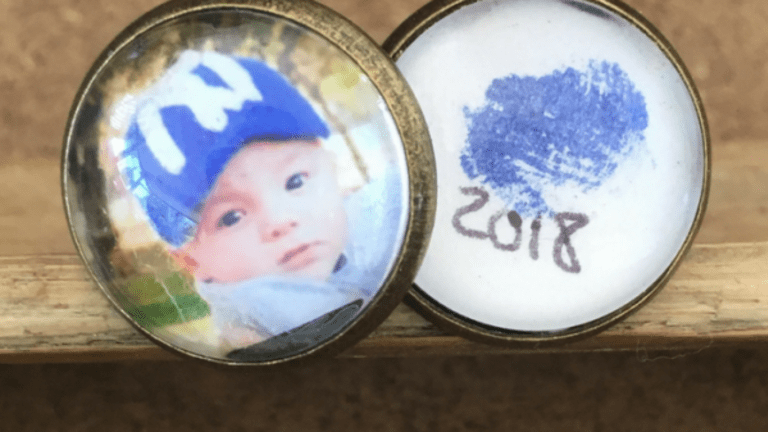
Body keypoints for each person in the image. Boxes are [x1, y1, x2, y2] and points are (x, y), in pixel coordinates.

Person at [119, 50, 395, 359]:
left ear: (332, 170)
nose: (280, 221)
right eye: (232, 217)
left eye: (295, 182)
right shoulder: (267, 311)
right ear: (190, 262)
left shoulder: (366, 222)